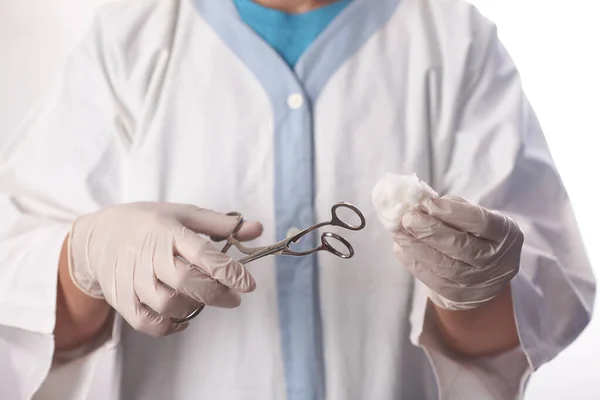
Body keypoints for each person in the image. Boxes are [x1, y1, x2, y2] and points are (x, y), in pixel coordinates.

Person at [0, 0, 595, 399]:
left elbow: (519, 330)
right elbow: (21, 306)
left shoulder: (452, 35)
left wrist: (472, 287)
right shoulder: (132, 38)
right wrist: (88, 257)